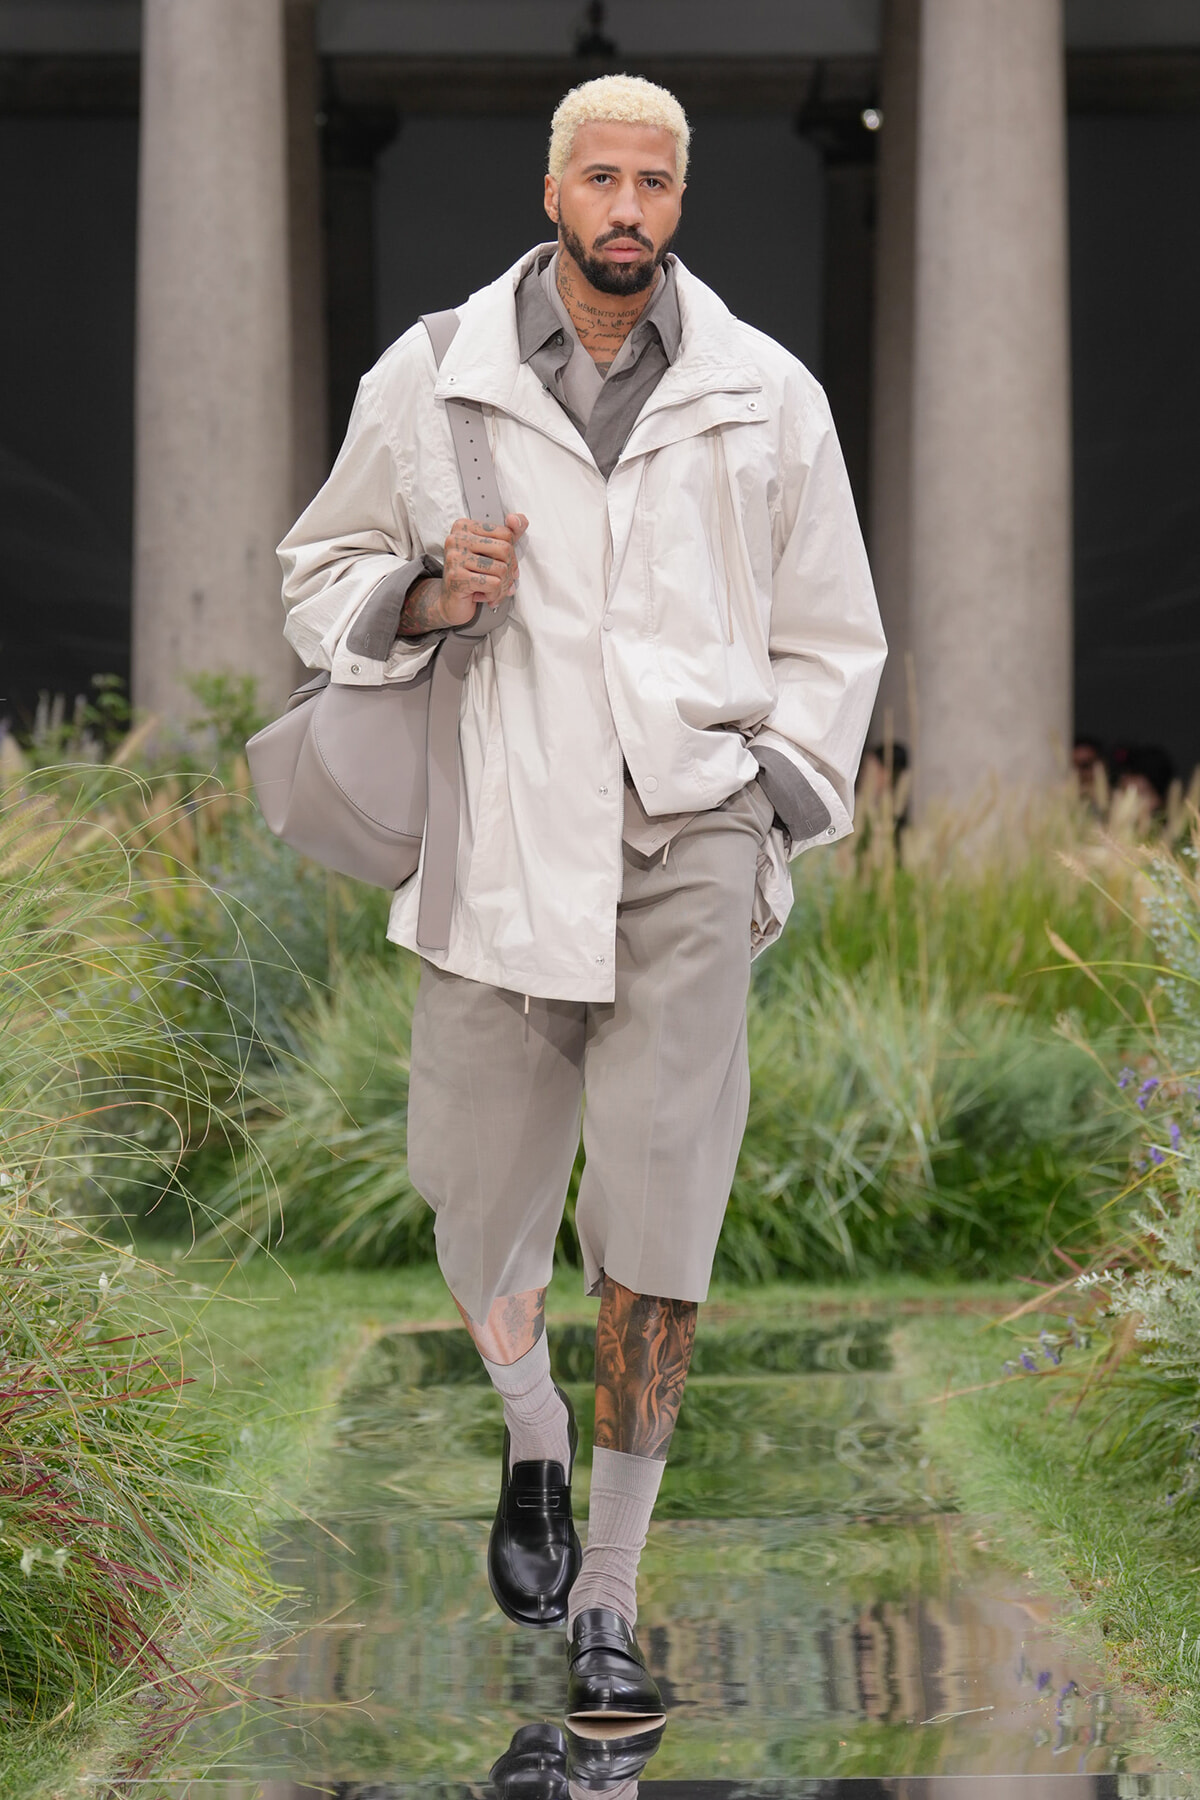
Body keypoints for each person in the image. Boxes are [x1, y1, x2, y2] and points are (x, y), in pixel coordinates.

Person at [278, 73, 885, 1743]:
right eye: (602, 180)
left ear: (682, 200)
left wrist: (771, 803)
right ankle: (529, 1425)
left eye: (657, 184)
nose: (630, 211)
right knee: (475, 1207)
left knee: (658, 1215)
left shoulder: (769, 395)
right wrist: (418, 587)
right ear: (554, 190)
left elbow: (835, 635)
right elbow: (318, 570)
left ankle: (610, 1590)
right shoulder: (433, 377)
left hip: (685, 843)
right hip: (495, 849)